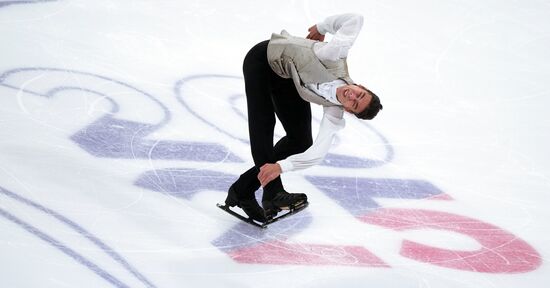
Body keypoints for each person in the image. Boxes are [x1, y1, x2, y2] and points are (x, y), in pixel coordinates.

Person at [224, 13, 383, 223]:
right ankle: (273, 192)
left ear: (349, 111)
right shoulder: (334, 55)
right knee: (263, 123)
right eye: (359, 94)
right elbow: (355, 19)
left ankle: (243, 189)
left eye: (354, 103)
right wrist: (323, 27)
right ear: (360, 86)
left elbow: (317, 152)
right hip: (263, 59)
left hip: (287, 78)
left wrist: (281, 166)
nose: (351, 96)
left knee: (301, 141)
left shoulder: (334, 111)